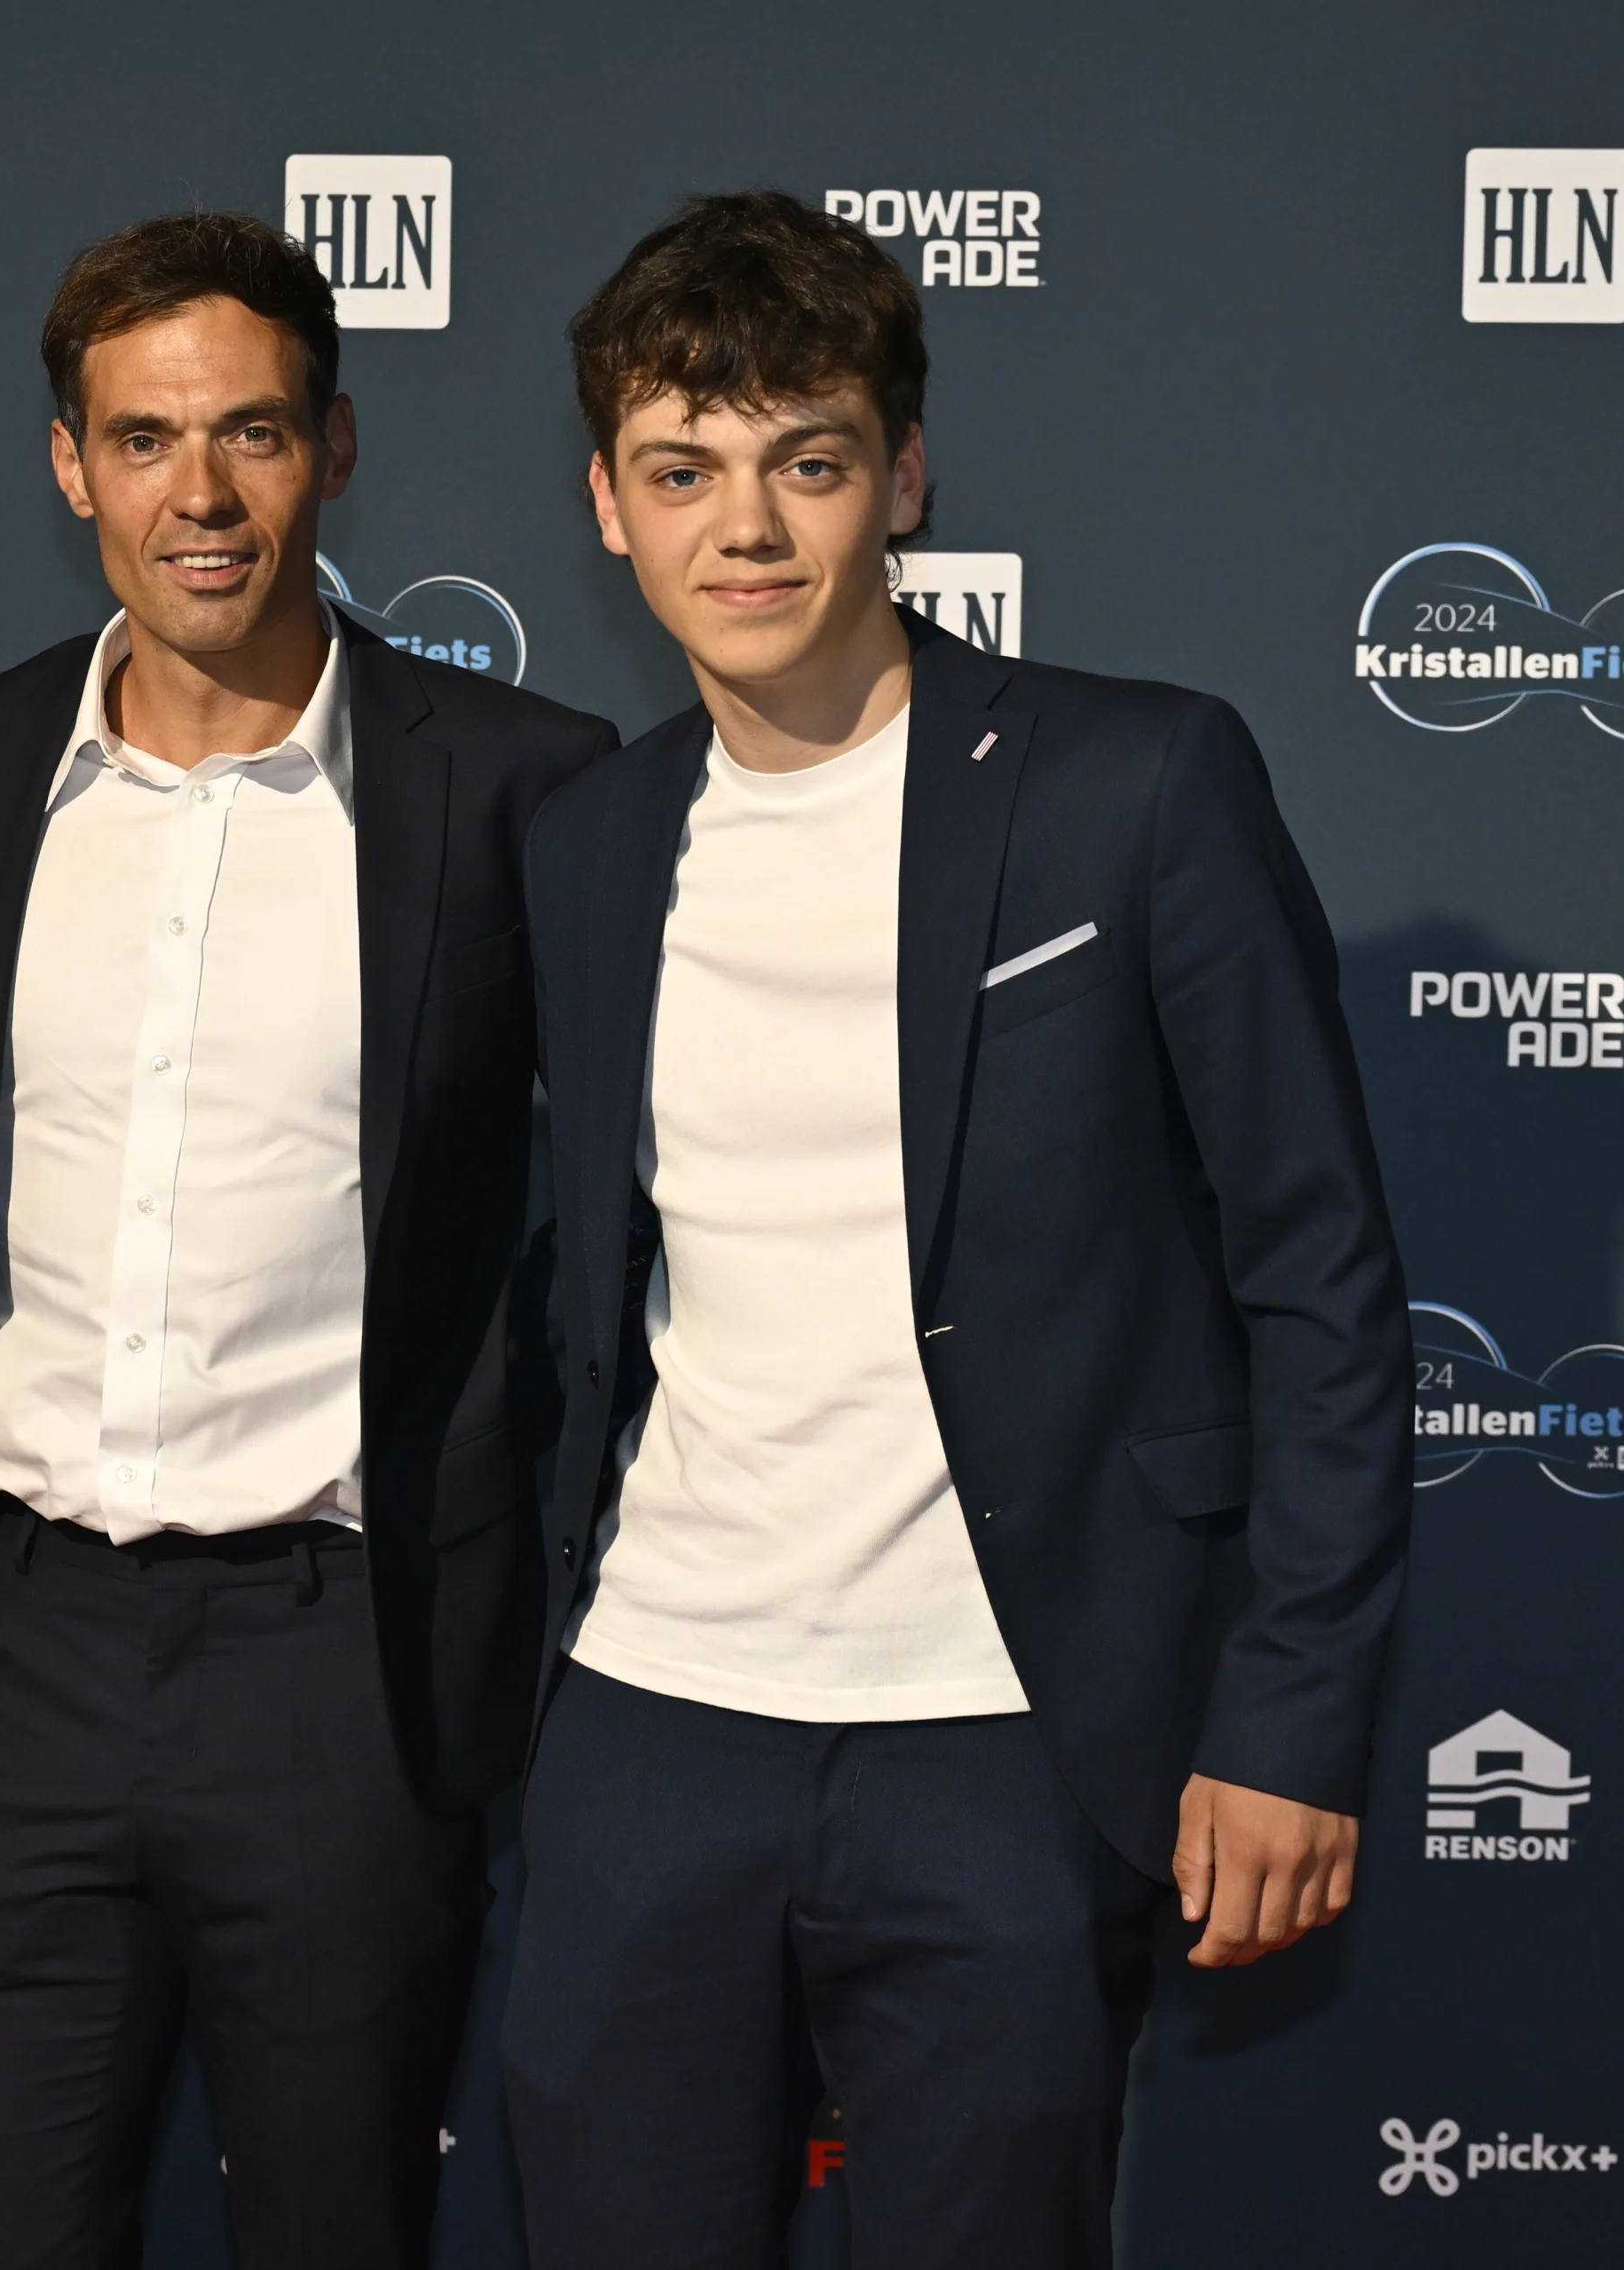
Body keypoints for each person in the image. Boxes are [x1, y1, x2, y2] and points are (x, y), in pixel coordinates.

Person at [506, 191, 1410, 2269]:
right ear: (609, 508)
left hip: (1013, 1729)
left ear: (900, 478)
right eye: (684, 473)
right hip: (653, 1715)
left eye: (804, 463)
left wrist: (1286, 1719)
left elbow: (1324, 1284)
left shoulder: (1138, 783)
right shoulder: (588, 838)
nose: (747, 529)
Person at [0, 213, 619, 2270]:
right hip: (10, 1659)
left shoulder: (518, 786)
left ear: (338, 447)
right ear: (69, 466)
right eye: (143, 439)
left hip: (346, 1668)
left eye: (251, 436)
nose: (198, 496)